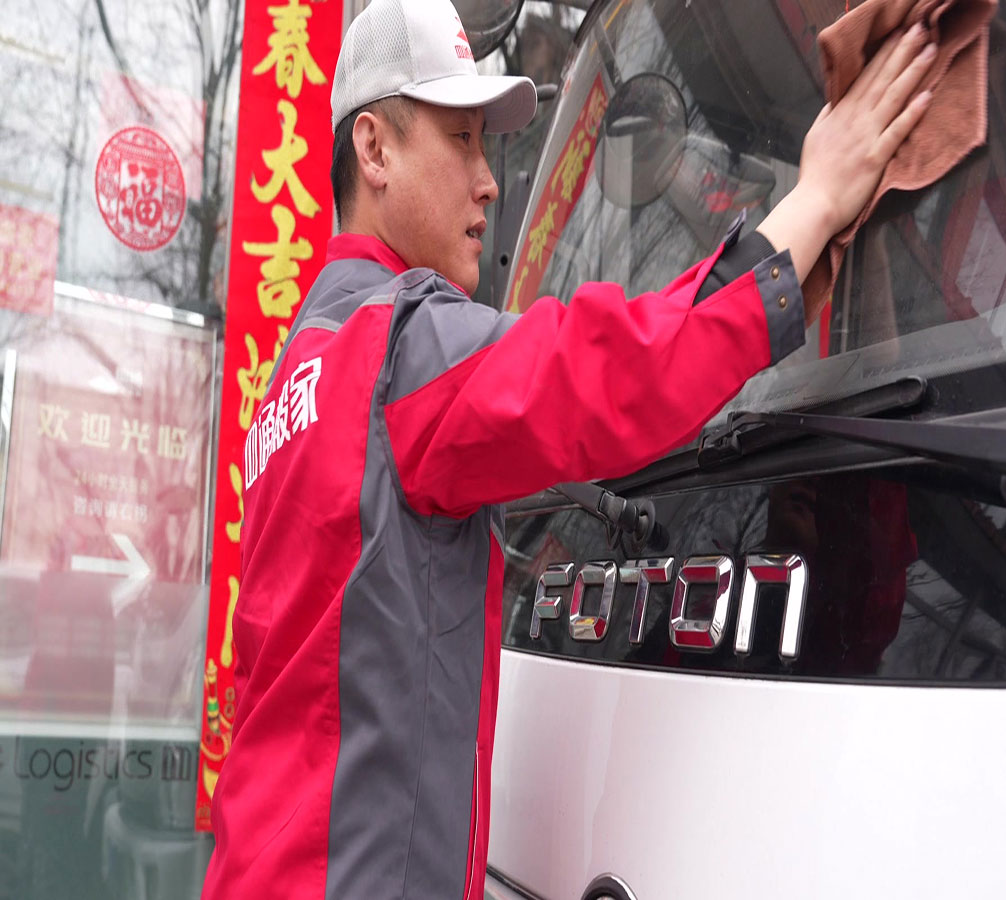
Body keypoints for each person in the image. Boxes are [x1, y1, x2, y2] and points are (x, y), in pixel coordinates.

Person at [201, 1, 938, 897]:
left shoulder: (300, 367)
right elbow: (611, 370)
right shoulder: (400, 352)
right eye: (462, 140)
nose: (488, 182)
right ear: (375, 150)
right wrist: (815, 201)